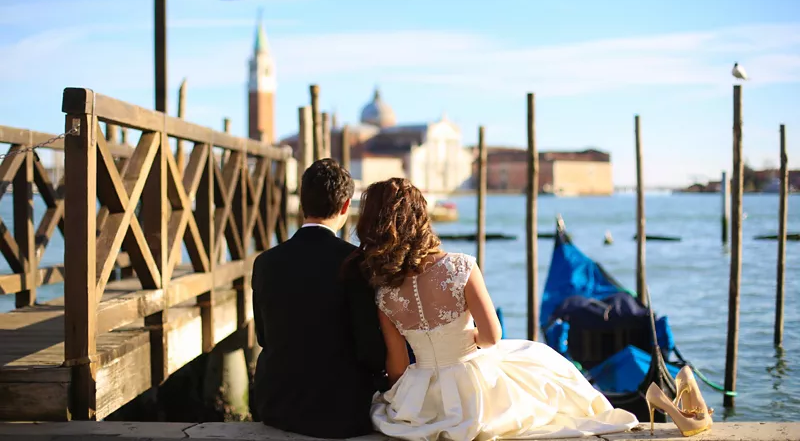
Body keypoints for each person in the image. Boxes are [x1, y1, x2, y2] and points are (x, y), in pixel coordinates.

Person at [347, 178, 640, 440]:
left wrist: (406, 395)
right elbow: (491, 336)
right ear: (422, 220)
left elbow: (396, 366)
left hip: (422, 393)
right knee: (543, 365)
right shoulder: (460, 266)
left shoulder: (384, 292)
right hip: (473, 389)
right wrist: (466, 339)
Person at [251, 159, 387, 438]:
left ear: (302, 203)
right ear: (346, 206)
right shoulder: (357, 263)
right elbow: (369, 348)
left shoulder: (265, 262)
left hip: (276, 406)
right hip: (341, 411)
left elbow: (264, 337)